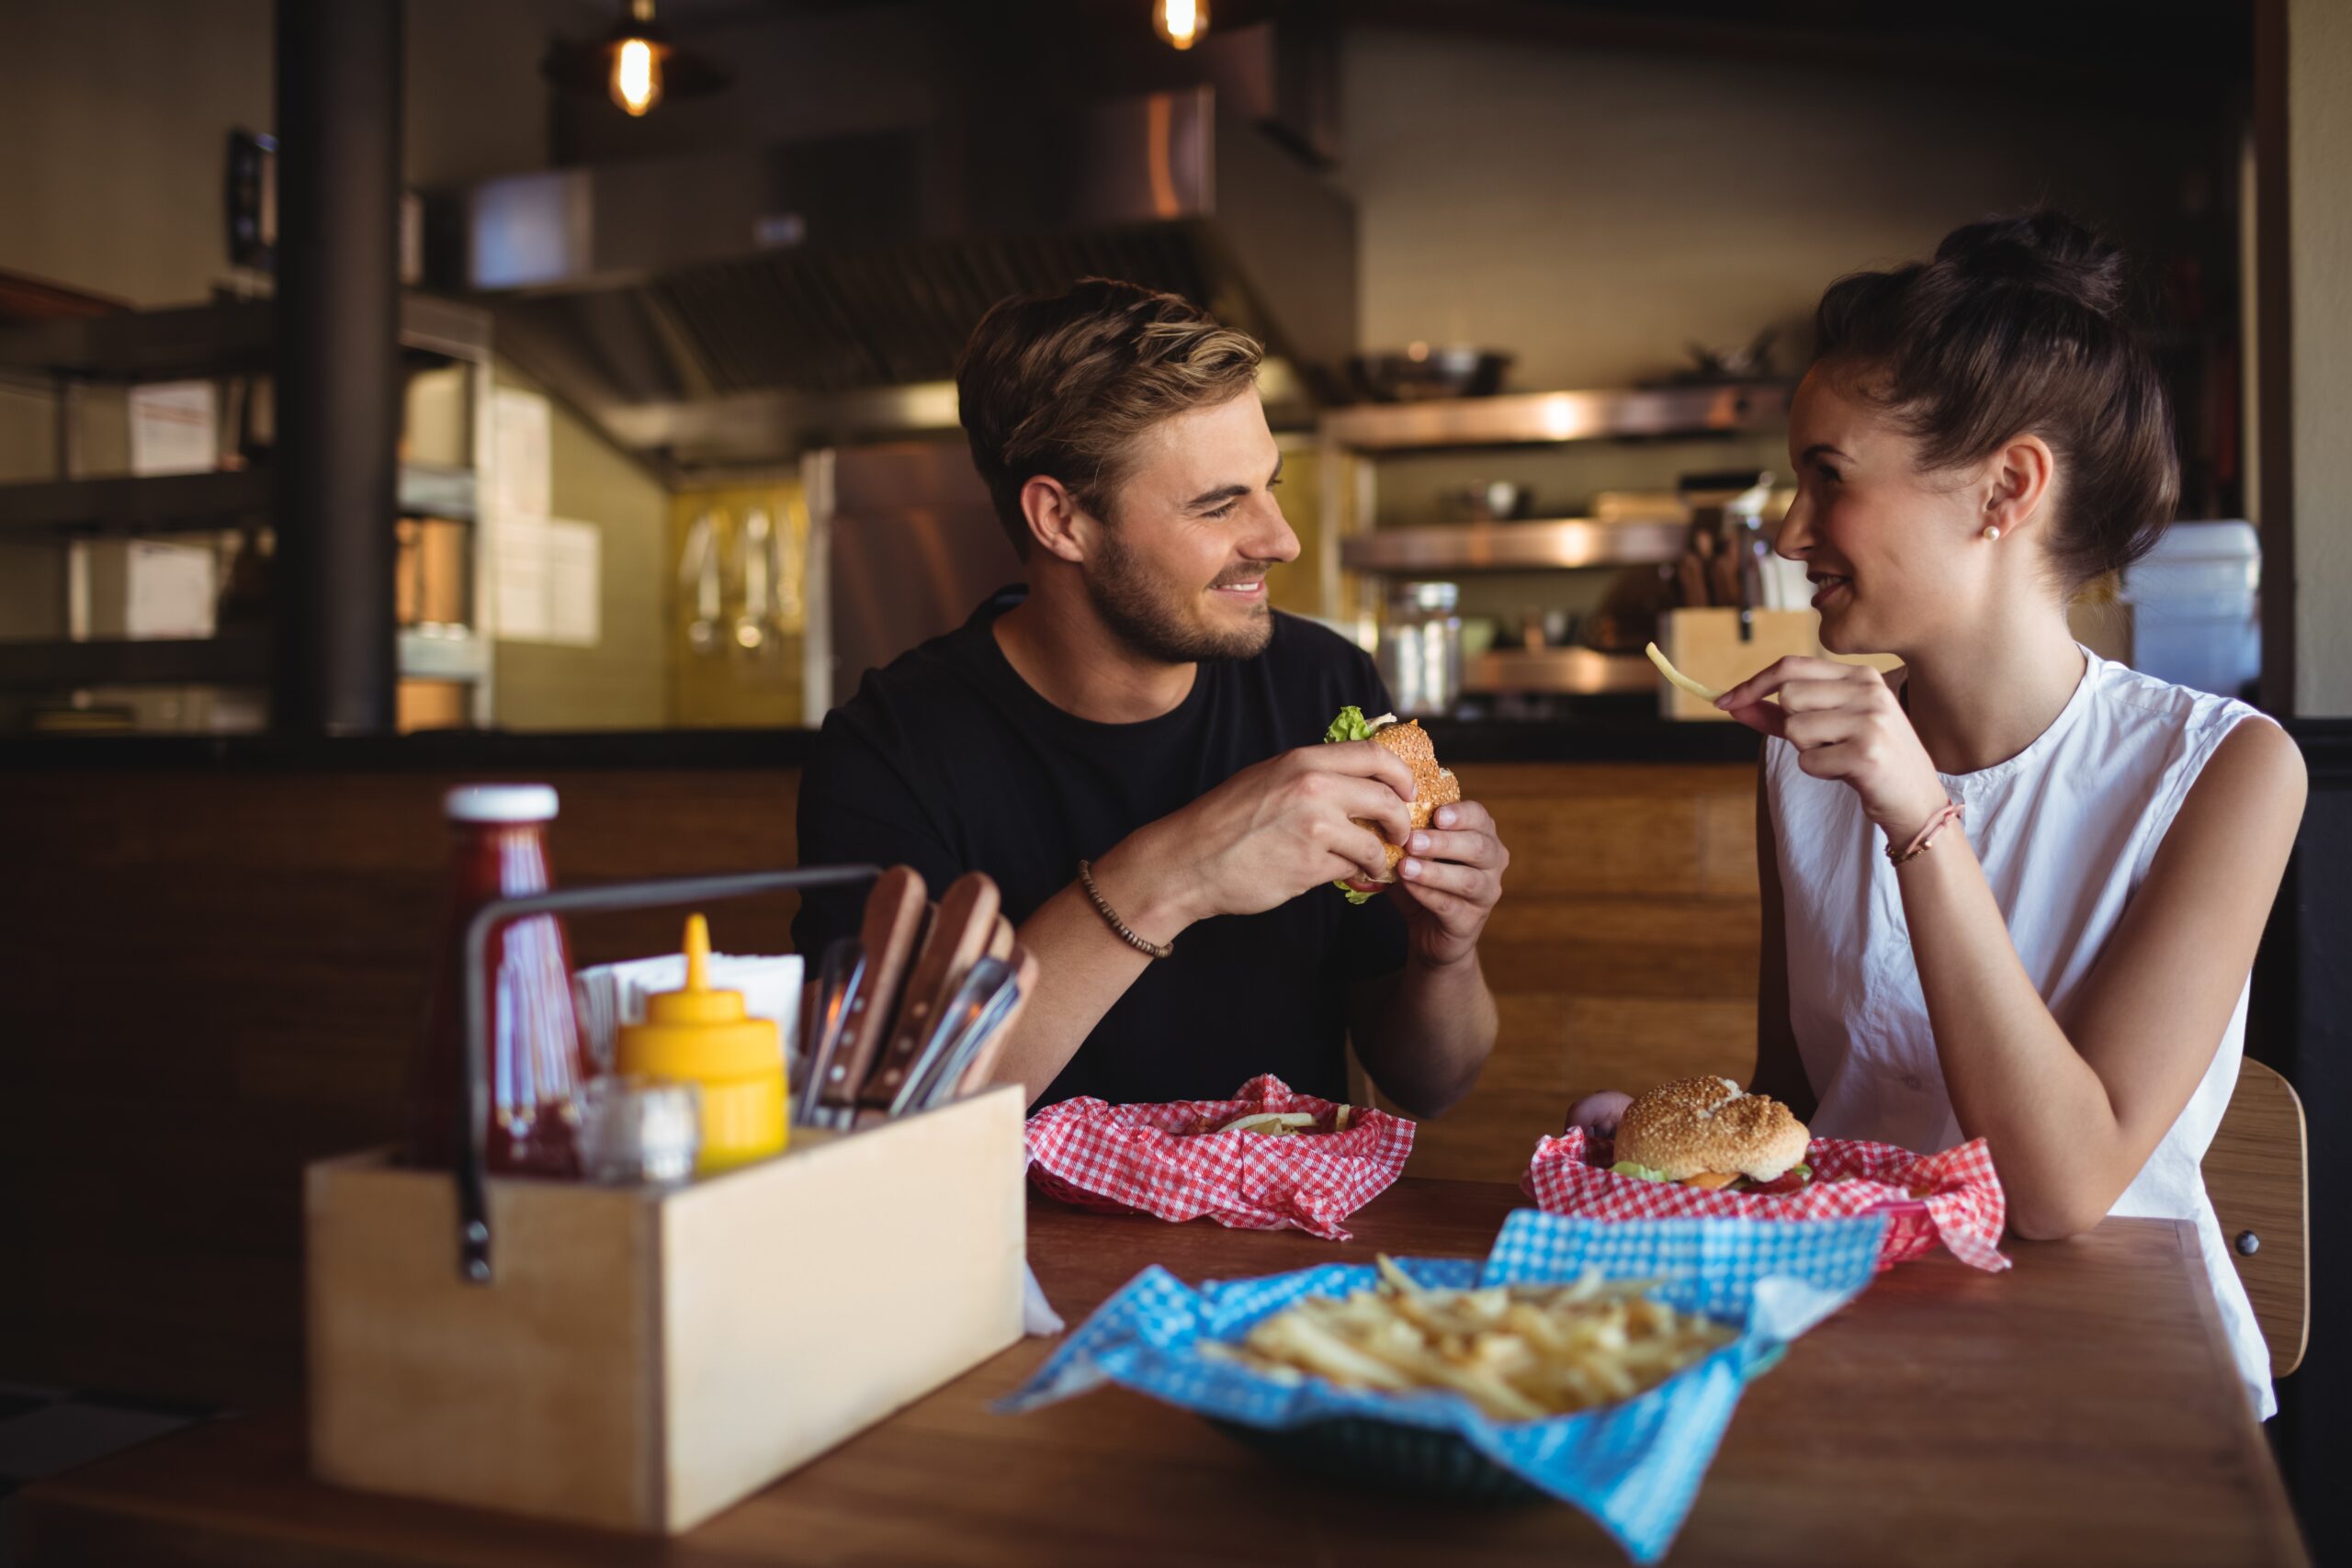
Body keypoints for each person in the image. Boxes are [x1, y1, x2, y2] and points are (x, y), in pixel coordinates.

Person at [1569, 211, 2303, 1416]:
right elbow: (1800, 1118)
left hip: (2121, 1400)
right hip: (1858, 1359)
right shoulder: (1802, 766)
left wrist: (1920, 818)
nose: (1790, 533)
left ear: (2006, 488)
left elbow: (2061, 1188)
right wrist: (1675, 1145)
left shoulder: (2224, 770)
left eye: (1827, 476)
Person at [792, 279, 1505, 1115]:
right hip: (1011, 1243)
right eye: (1218, 504)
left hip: (1287, 1244)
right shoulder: (891, 750)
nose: (1281, 539)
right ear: (1061, 520)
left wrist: (1444, 955)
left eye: (1269, 484)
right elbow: (893, 1114)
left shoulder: (1323, 683)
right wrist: (1174, 874)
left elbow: (1430, 1082)